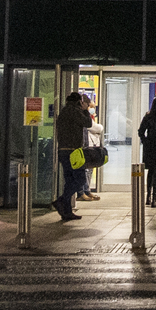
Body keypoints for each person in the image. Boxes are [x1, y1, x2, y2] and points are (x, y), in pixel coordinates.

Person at [53, 89, 90, 221]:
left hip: (63, 151)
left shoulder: (63, 112)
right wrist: (85, 110)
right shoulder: (75, 111)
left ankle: (67, 212)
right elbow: (88, 123)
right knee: (80, 179)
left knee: (69, 181)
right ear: (79, 102)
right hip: (73, 152)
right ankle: (61, 200)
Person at [81, 94, 104, 201]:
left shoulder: (90, 117)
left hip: (91, 146)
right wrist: (99, 127)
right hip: (87, 146)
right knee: (85, 170)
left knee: (88, 170)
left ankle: (86, 190)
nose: (92, 109)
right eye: (90, 106)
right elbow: (96, 128)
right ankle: (83, 192)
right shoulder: (84, 117)